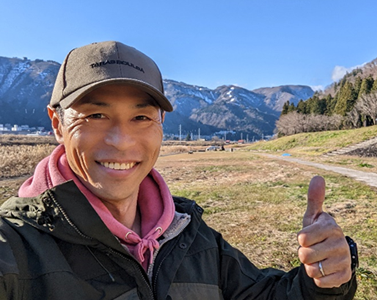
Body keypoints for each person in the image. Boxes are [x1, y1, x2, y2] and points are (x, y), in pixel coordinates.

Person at [0, 41, 357, 300]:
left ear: (161, 124)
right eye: (95, 115)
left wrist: (320, 283)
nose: (122, 141)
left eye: (141, 117)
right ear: (57, 123)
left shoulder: (190, 236)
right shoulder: (17, 246)